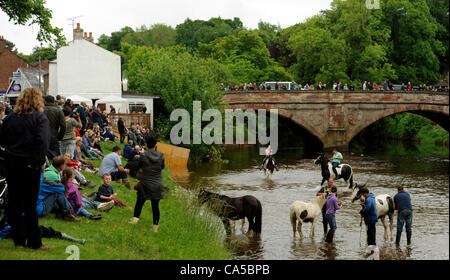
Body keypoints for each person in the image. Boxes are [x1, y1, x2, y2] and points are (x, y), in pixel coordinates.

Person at [0, 88, 51, 250]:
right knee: (29, 204)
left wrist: (7, 158)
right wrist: (36, 163)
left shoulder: (10, 119)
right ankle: (34, 241)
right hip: (29, 167)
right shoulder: (39, 118)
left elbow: (2, 140)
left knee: (14, 203)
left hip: (12, 165)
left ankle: (19, 238)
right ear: (38, 101)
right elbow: (42, 142)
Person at [129, 136, 165, 233]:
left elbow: (139, 166)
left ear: (146, 145)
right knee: (155, 205)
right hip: (157, 183)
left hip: (145, 183)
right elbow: (162, 167)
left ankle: (135, 219)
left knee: (140, 202)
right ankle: (155, 227)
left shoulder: (143, 155)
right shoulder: (161, 155)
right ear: (156, 145)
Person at [43, 95, 66, 159]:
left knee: (43, 160)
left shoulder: (41, 110)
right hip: (54, 137)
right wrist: (60, 137)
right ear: (54, 101)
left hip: (42, 137)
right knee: (56, 160)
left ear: (45, 101)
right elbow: (63, 126)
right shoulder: (58, 110)